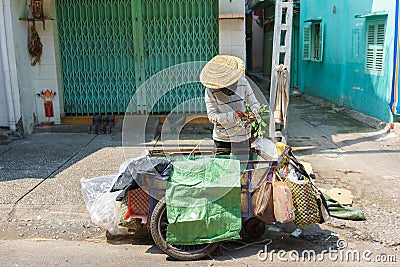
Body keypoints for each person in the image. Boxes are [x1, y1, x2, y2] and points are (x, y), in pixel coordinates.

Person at [200, 55, 260, 156]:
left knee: (243, 169)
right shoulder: (210, 90)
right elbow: (212, 116)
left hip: (243, 136)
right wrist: (233, 115)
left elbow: (254, 103)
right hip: (222, 138)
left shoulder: (243, 83)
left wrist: (253, 113)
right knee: (222, 169)